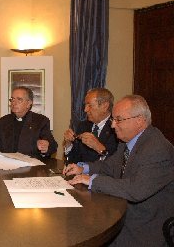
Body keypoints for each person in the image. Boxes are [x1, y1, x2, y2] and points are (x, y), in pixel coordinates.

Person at [63, 95, 174, 246]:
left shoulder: (157, 149)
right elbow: (109, 166)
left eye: (119, 120)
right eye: (113, 120)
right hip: (121, 212)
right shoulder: (128, 141)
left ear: (140, 120)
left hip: (143, 227)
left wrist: (91, 180)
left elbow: (136, 190)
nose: (113, 125)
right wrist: (83, 168)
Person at [0, 86, 58, 159]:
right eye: (12, 99)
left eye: (19, 99)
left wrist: (46, 147)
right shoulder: (3, 121)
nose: (14, 103)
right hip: (6, 165)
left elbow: (52, 146)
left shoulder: (40, 121)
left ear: (28, 103)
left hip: (30, 167)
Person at [63, 88, 118, 163]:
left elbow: (117, 165)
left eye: (89, 105)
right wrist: (68, 144)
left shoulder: (117, 129)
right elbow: (72, 161)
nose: (85, 110)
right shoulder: (83, 126)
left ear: (105, 106)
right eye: (85, 105)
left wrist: (99, 147)